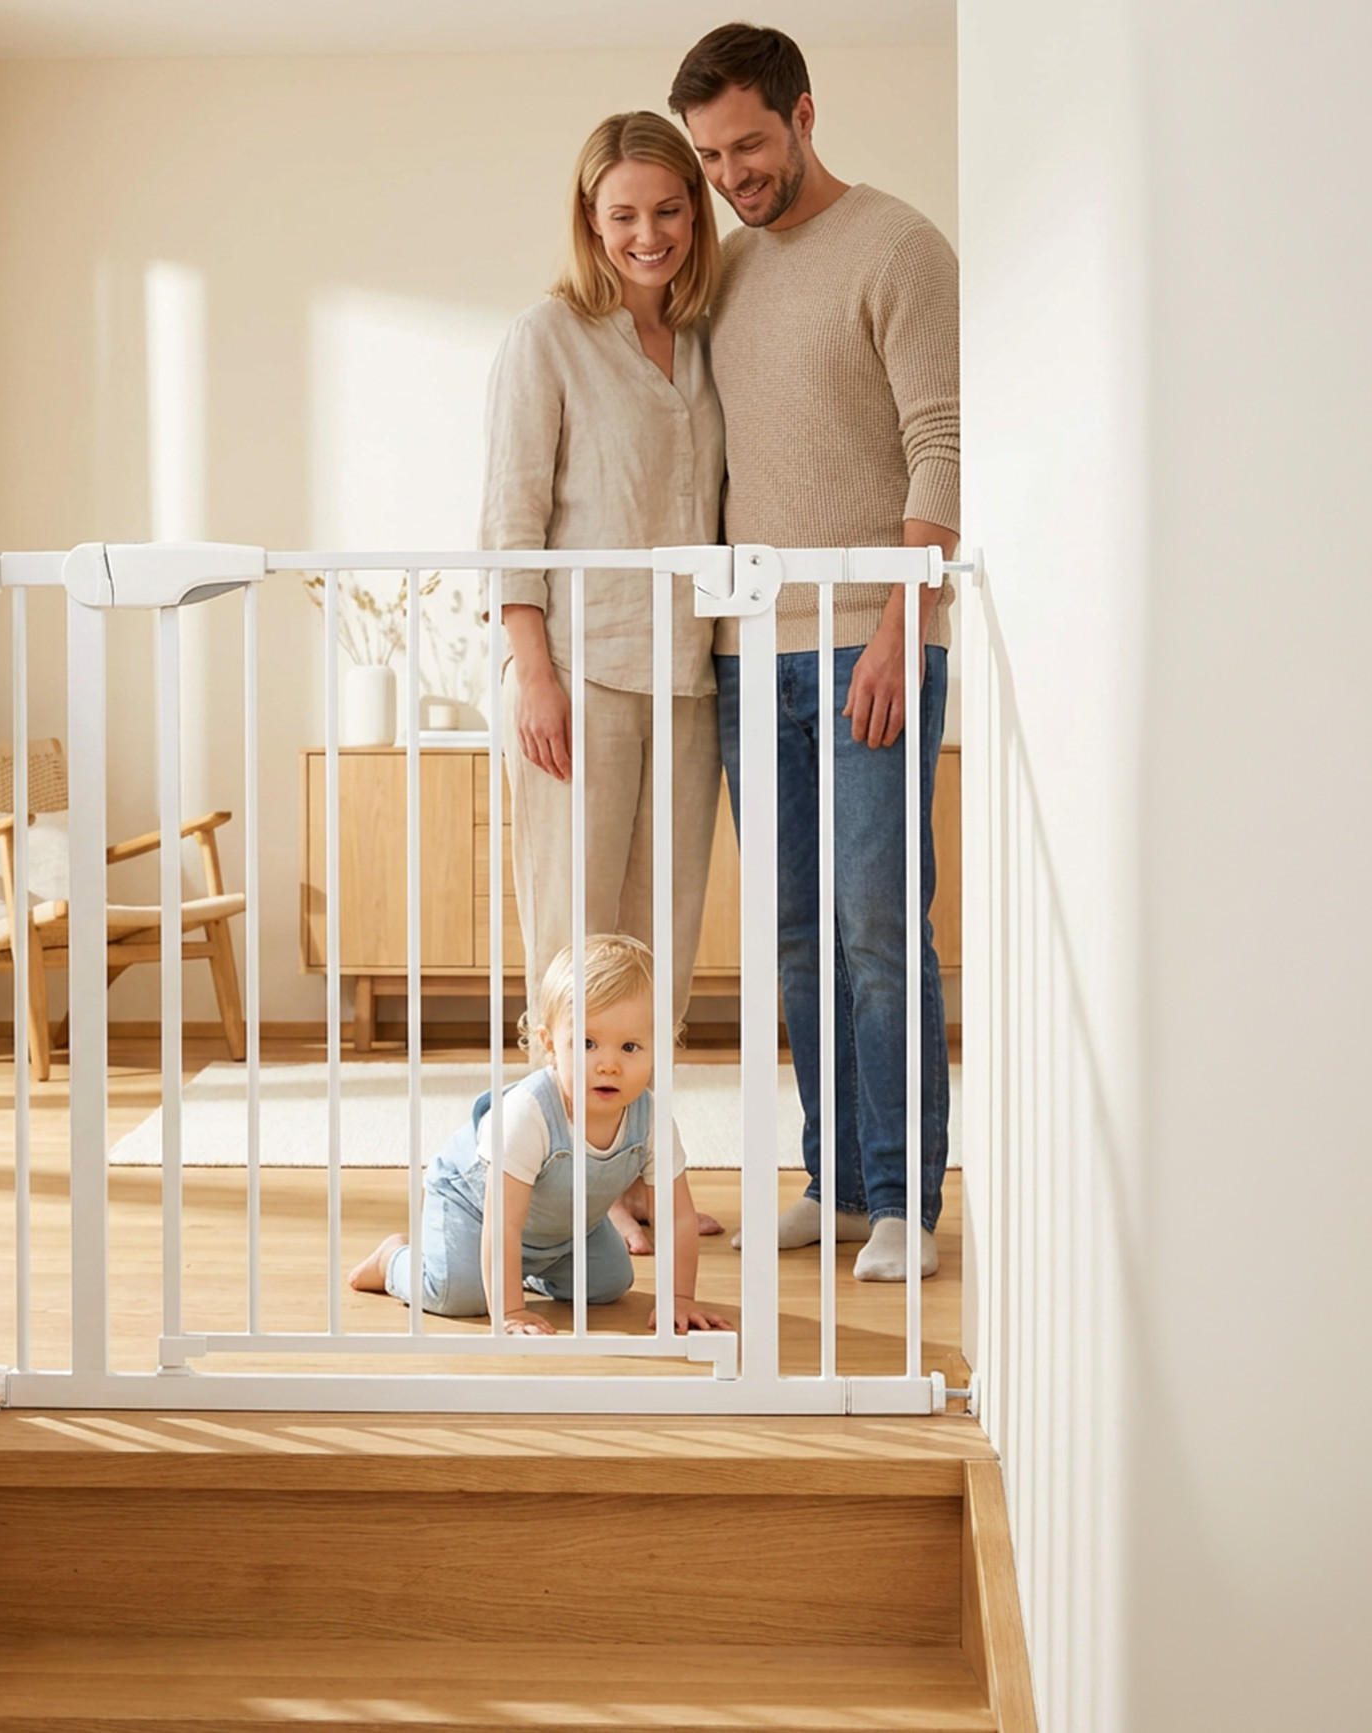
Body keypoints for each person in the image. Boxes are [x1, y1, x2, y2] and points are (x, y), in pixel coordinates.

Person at [671, 24, 960, 1281]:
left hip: (868, 643)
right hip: (751, 650)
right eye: (709, 154)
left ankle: (905, 1198)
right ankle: (835, 1181)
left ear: (799, 114)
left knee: (878, 924)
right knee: (792, 933)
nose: (730, 173)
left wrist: (903, 625)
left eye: (745, 143)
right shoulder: (724, 273)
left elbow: (942, 439)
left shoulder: (898, 246)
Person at [479, 110, 728, 1253]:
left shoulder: (710, 334)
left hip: (687, 679)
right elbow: (510, 522)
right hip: (578, 673)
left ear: (696, 212)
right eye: (623, 212)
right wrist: (531, 671)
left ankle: (633, 1178)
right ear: (589, 216)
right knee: (575, 948)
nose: (648, 233)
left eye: (668, 210)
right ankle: (544, 1184)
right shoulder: (547, 336)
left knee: (659, 948)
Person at [348, 937, 728, 1337]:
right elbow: (503, 1225)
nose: (609, 1065)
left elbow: (677, 1218)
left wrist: (679, 1298)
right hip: (476, 1212)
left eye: (630, 1047)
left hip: (562, 1227)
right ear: (549, 1045)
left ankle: (522, 1270)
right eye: (586, 1044)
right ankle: (394, 1258)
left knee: (609, 1283)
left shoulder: (650, 1120)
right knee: (456, 1296)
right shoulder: (529, 1114)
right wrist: (511, 1310)